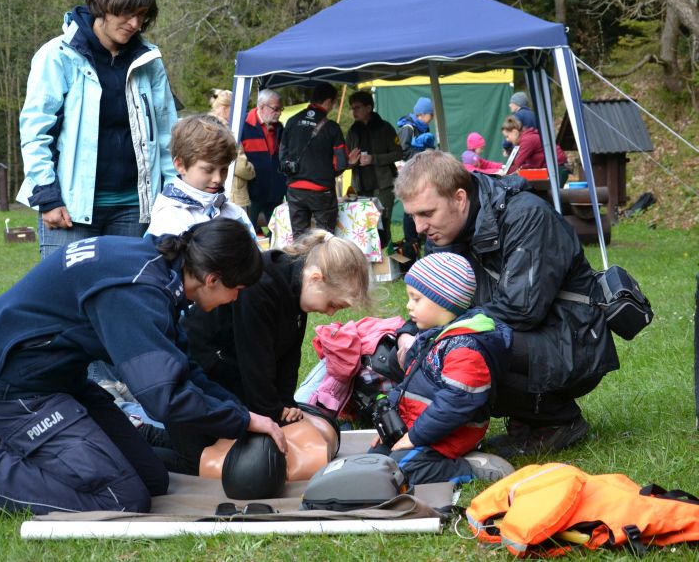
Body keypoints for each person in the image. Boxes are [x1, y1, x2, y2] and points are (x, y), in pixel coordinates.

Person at [0, 218, 287, 520]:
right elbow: (163, 396)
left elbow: (184, 368)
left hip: (58, 378)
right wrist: (240, 423)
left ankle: (13, 440)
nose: (235, 299)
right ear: (212, 279)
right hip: (14, 387)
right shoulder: (136, 289)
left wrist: (245, 414)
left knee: (152, 480)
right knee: (123, 497)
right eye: (236, 289)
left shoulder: (159, 269)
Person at [394, 151, 619, 457]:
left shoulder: (526, 216)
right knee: (408, 345)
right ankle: (515, 420)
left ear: (460, 199)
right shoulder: (443, 231)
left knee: (459, 349)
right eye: (413, 216)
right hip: (527, 336)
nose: (419, 227)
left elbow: (521, 310)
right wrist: (409, 334)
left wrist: (434, 340)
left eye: (427, 214)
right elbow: (432, 297)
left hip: (572, 340)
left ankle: (557, 420)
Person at [17, 0, 178, 258]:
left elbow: (167, 136)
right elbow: (35, 133)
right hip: (71, 209)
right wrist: (48, 198)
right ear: (104, 4)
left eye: (141, 16)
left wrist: (171, 198)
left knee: (123, 298)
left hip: (135, 209)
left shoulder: (150, 61)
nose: (134, 24)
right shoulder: (57, 55)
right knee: (64, 299)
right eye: (127, 13)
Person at [183, 231, 371, 429]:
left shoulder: (299, 286)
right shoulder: (262, 285)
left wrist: (286, 403)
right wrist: (271, 412)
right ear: (316, 278)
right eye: (333, 304)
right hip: (205, 366)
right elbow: (255, 359)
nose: (331, 313)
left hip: (238, 366)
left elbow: (289, 353)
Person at [369, 252, 513, 485]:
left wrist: (415, 437)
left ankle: (467, 468)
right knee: (373, 463)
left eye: (416, 299)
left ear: (443, 300)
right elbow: (408, 384)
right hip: (420, 426)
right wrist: (390, 422)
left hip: (448, 434)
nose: (408, 306)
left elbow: (456, 404)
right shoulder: (435, 336)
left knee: (398, 473)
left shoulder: (466, 348)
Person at [146, 114, 257, 239]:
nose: (218, 179)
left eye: (224, 169)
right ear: (180, 165)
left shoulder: (235, 213)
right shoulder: (169, 217)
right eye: (208, 170)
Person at [280, 82, 357, 235]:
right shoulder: (332, 128)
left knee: (299, 236)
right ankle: (322, 260)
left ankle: (301, 260)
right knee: (325, 237)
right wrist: (331, 172)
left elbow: (282, 154)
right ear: (328, 101)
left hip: (295, 189)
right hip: (322, 191)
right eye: (334, 103)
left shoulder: (292, 121)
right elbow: (341, 163)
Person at [345, 90, 403, 246]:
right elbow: (346, 160)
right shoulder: (352, 132)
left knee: (383, 225)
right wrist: (350, 162)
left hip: (383, 187)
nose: (353, 111)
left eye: (357, 107)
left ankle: (388, 262)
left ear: (369, 108)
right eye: (352, 108)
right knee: (364, 227)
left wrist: (374, 159)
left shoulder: (385, 128)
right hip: (361, 188)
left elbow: (398, 153)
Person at [396, 96, 436, 263]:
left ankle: (420, 245)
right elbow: (402, 152)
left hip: (420, 174)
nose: (432, 118)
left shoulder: (423, 128)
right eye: (431, 115)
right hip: (408, 175)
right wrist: (421, 151)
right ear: (423, 114)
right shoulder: (408, 128)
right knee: (409, 211)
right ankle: (410, 245)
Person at [241, 89, 286, 234]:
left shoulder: (280, 128)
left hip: (275, 192)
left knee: (278, 233)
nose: (279, 113)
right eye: (275, 109)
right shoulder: (243, 126)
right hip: (252, 193)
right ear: (261, 107)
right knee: (247, 233)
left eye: (280, 109)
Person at [501, 116, 570, 185]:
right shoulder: (525, 139)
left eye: (507, 136)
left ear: (514, 132)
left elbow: (517, 163)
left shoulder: (527, 140)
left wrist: (502, 173)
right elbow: (527, 164)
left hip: (557, 169)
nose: (507, 139)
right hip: (555, 168)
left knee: (552, 194)